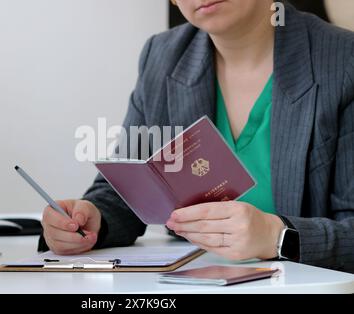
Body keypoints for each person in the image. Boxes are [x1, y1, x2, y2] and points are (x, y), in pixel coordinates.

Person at [40, 0, 354, 273]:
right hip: (193, 284)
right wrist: (93, 217)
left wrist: (277, 236)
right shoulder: (162, 56)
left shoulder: (342, 61)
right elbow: (126, 192)